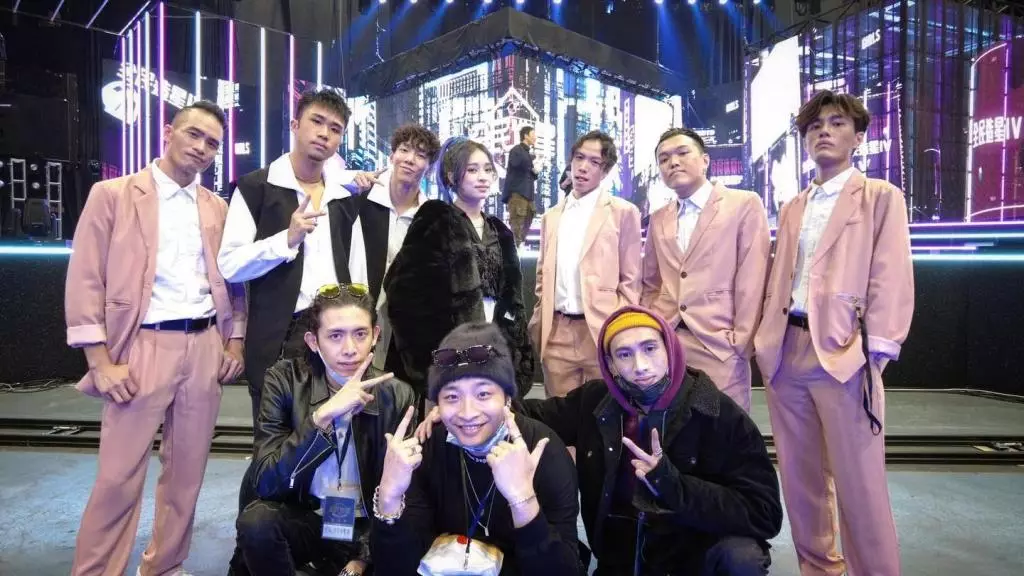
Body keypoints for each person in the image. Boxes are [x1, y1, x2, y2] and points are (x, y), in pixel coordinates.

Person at [421, 306, 782, 574]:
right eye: (624, 354)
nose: (640, 365)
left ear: (670, 349)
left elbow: (764, 514)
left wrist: (671, 485)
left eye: (650, 348)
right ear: (609, 363)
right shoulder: (598, 403)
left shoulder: (717, 414)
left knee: (742, 558)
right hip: (620, 559)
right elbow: (529, 412)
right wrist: (460, 408)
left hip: (693, 556)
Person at [65, 100, 247, 576]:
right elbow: (85, 279)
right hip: (141, 346)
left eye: (212, 143)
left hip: (204, 345)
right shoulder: (114, 194)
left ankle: (165, 566)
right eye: (193, 134)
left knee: (187, 475)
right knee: (118, 478)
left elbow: (233, 281)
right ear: (168, 132)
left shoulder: (218, 207)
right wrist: (100, 362)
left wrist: (235, 340)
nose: (202, 147)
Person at [754, 90, 914, 576]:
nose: (823, 131)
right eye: (814, 125)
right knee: (801, 481)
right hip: (786, 351)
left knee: (860, 484)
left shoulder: (880, 196)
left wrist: (876, 351)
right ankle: (819, 569)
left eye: (837, 123)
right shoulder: (793, 206)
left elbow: (890, 273)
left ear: (858, 137)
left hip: (845, 352)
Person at [218, 88, 380, 425]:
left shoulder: (342, 197)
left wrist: (362, 331)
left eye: (335, 129)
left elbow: (357, 273)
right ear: (295, 125)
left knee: (337, 435)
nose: (324, 134)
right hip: (279, 337)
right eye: (316, 122)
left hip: (336, 336)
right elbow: (230, 265)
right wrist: (285, 240)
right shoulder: (255, 188)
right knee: (276, 442)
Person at [370, 323, 582, 575]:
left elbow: (564, 570)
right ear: (436, 404)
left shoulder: (544, 451)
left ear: (507, 397)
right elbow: (396, 568)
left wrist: (523, 501)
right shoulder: (426, 448)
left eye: (483, 394)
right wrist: (389, 498)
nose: (467, 413)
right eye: (452, 397)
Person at [236, 283, 418, 576]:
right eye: (335, 336)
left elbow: (407, 496)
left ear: (375, 335)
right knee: (257, 523)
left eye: (360, 334)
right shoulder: (284, 381)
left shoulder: (397, 395)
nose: (350, 349)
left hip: (364, 528)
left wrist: (363, 557)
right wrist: (321, 418)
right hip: (307, 516)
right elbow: (266, 483)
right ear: (313, 341)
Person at [385, 137, 535, 399]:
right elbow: (403, 294)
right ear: (452, 176)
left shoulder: (501, 231)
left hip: (493, 356)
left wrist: (517, 358)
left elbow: (514, 304)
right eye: (472, 170)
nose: (483, 177)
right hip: (447, 359)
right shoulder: (436, 218)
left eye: (487, 169)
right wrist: (432, 363)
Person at [640, 127, 770, 411]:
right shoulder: (659, 218)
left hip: (719, 343)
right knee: (672, 429)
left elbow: (753, 277)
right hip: (667, 342)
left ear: (705, 160)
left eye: (682, 153)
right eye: (664, 159)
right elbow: (650, 281)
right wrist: (654, 326)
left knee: (722, 428)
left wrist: (740, 341)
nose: (673, 162)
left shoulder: (743, 204)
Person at [529, 130, 642, 397]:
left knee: (605, 412)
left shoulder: (623, 212)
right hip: (557, 332)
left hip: (602, 330)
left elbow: (631, 280)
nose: (583, 167)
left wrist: (619, 327)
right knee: (559, 413)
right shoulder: (551, 216)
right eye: (579, 158)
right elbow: (543, 275)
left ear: (605, 171)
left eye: (594, 162)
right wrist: (540, 316)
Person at [332, 124, 442, 380]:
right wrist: (350, 182)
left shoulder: (430, 216)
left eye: (420, 155)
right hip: (353, 315)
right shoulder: (361, 198)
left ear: (429, 167)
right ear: (392, 156)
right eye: (404, 150)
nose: (410, 159)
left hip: (403, 328)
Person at [501, 126, 539, 246]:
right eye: (533, 134)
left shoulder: (528, 153)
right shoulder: (517, 150)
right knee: (517, 221)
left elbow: (530, 173)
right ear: (526, 136)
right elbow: (516, 164)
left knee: (529, 216)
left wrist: (535, 170)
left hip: (528, 194)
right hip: (517, 192)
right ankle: (515, 247)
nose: (535, 137)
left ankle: (519, 244)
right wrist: (531, 162)